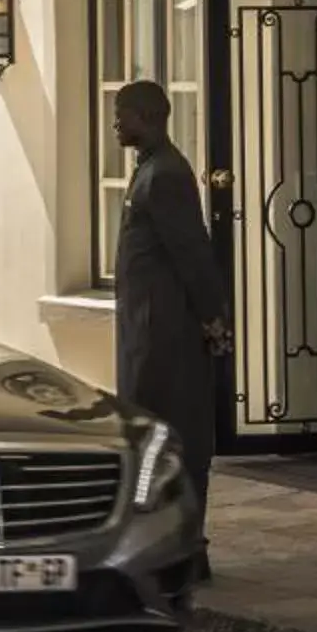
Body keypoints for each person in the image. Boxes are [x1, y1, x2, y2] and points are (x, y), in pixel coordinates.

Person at [112, 80, 227, 503]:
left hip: (164, 332)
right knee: (148, 431)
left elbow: (191, 253)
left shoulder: (166, 175)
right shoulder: (149, 169)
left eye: (120, 114)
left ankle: (182, 532)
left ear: (146, 117)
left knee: (171, 431)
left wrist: (213, 317)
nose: (114, 123)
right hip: (145, 328)